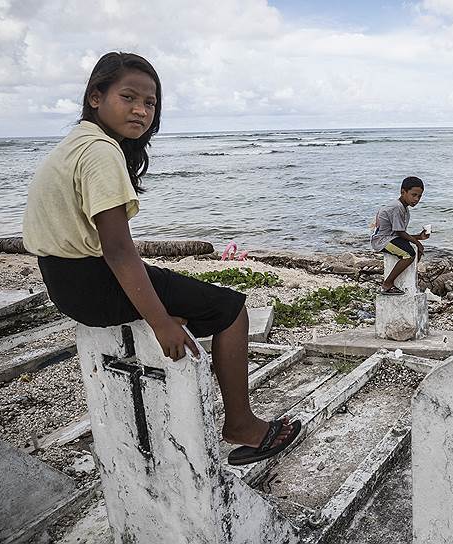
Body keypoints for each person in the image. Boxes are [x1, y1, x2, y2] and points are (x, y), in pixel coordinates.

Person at [21, 52, 299, 466]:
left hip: (65, 282)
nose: (140, 110)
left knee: (182, 291)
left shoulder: (78, 141)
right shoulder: (100, 152)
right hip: (93, 284)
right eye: (129, 97)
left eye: (149, 103)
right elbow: (117, 250)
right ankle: (241, 424)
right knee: (231, 309)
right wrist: (160, 321)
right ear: (96, 97)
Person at [370, 176, 430, 295]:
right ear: (403, 192)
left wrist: (419, 237)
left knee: (414, 250)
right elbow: (399, 232)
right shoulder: (397, 207)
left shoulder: (404, 208)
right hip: (382, 240)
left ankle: (410, 281)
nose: (416, 199)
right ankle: (387, 284)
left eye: (419, 196)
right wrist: (417, 243)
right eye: (414, 195)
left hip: (391, 237)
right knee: (408, 254)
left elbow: (399, 232)